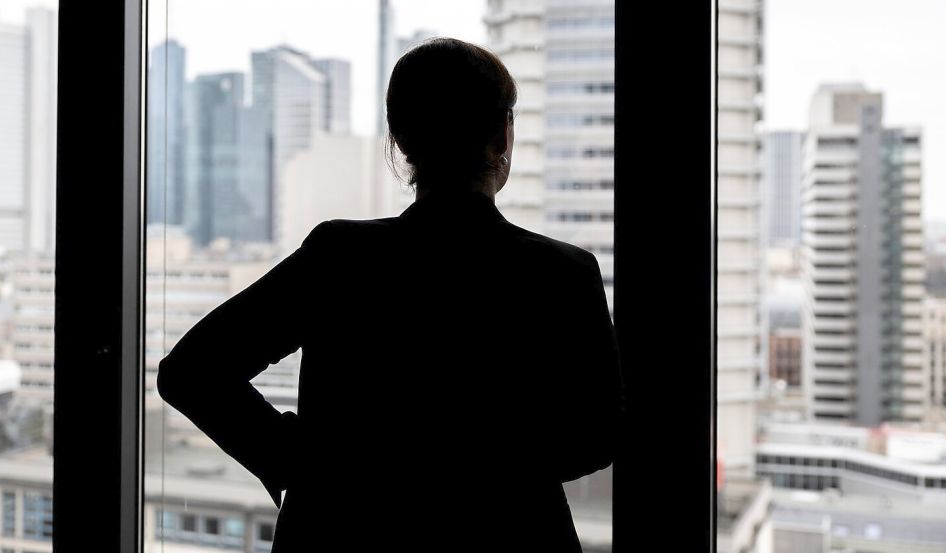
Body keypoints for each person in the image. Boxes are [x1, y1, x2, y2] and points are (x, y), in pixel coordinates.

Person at [158, 37, 625, 552]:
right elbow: (597, 437)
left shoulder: (340, 257)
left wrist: (292, 459)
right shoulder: (563, 273)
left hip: (344, 531)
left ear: (401, 140)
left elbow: (190, 371)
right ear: (502, 136)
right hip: (509, 533)